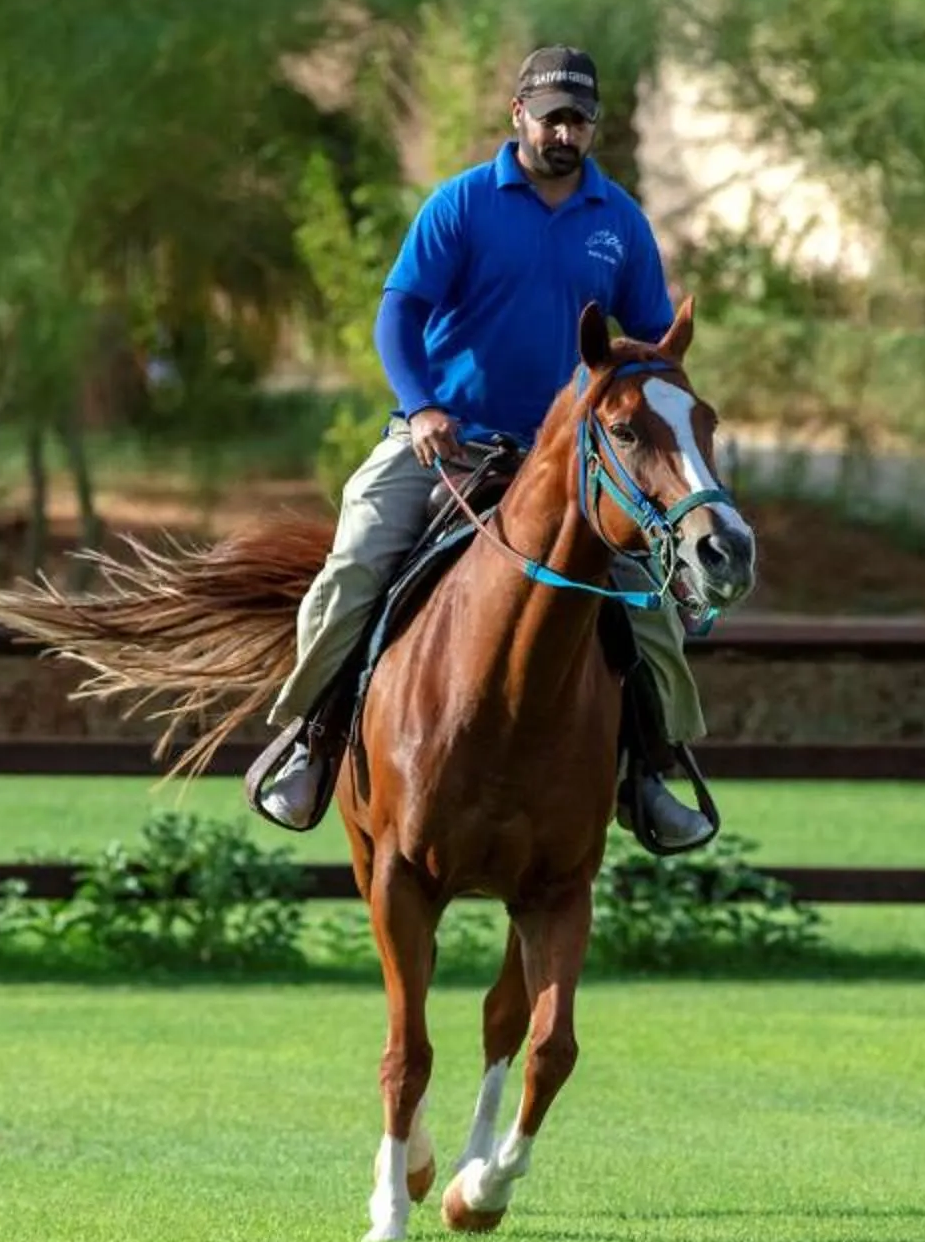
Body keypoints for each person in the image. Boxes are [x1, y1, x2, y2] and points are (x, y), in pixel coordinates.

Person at [249, 45, 717, 849]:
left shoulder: (621, 222)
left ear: (594, 125)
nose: (565, 132)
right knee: (358, 560)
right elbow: (398, 315)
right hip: (447, 440)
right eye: (552, 117)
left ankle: (647, 773)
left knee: (648, 605)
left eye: (580, 118)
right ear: (519, 117)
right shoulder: (462, 204)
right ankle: (311, 742)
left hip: (576, 459)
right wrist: (421, 406)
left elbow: (648, 350)